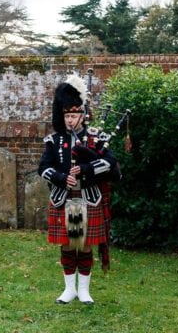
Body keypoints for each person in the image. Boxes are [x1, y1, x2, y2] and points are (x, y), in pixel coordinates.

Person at [37, 73, 118, 305]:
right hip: (65, 198)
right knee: (67, 244)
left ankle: (84, 291)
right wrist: (61, 178)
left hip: (88, 198)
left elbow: (110, 163)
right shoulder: (55, 141)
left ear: (82, 115)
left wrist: (86, 170)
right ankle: (69, 289)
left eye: (73, 116)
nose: (70, 120)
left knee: (83, 245)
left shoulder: (95, 138)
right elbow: (43, 168)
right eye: (66, 116)